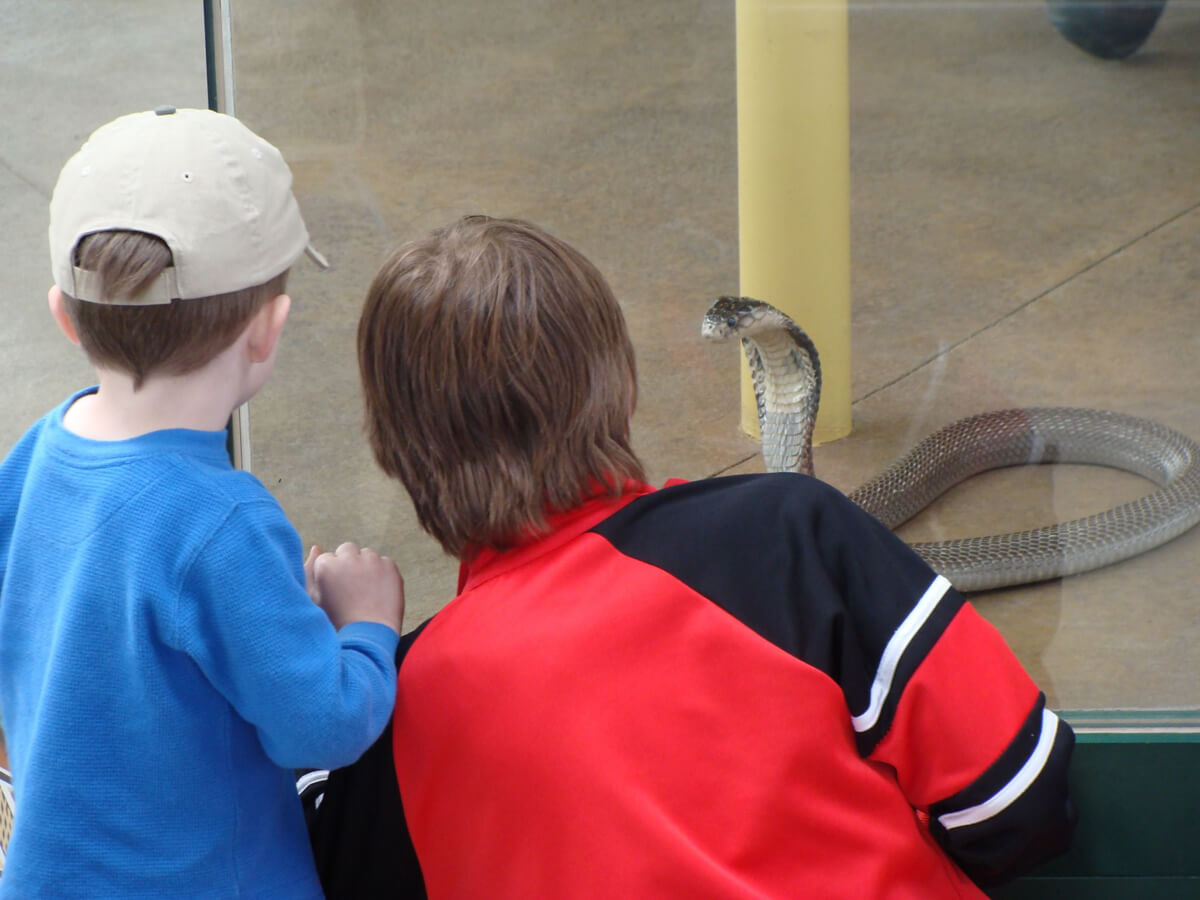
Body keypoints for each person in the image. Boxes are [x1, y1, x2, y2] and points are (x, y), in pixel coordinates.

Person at [306, 215, 1076, 898]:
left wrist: (332, 659)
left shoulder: (396, 712)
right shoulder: (790, 536)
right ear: (625, 386)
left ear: (391, 451)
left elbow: (317, 856)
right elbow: (1019, 803)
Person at [0, 107, 404, 898]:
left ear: (64, 317)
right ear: (268, 331)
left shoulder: (33, 457)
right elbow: (320, 724)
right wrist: (364, 627)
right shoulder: (223, 525)